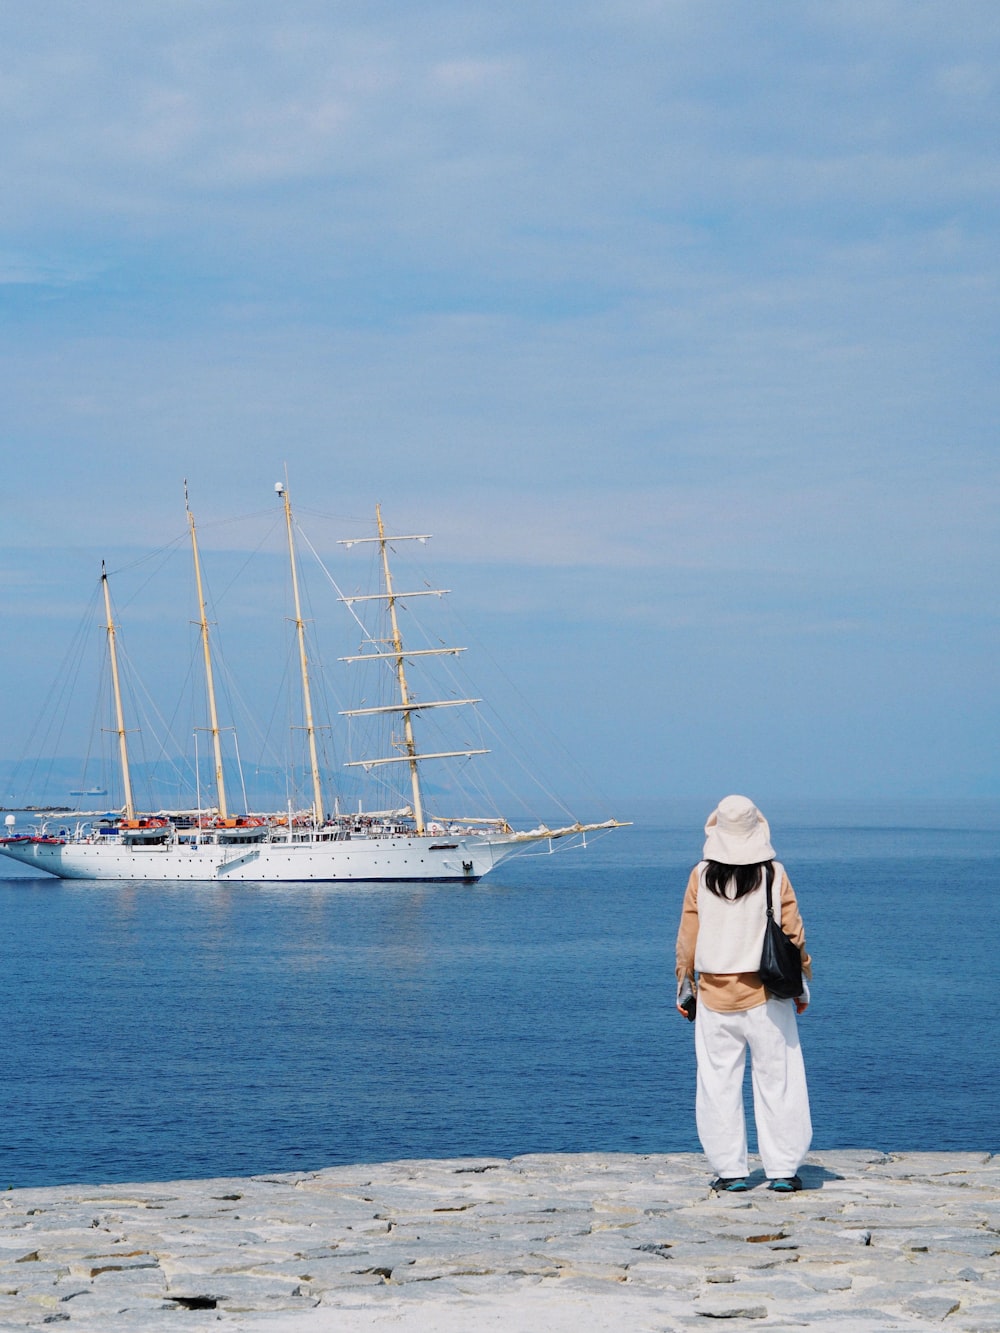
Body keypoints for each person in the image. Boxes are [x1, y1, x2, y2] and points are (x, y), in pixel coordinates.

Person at [675, 794, 812, 1193]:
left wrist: (685, 987)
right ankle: (783, 1169)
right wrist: (803, 983)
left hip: (715, 994)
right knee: (779, 1080)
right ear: (757, 828)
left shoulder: (700, 875)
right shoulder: (774, 873)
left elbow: (688, 938)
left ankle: (731, 1170)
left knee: (718, 1083)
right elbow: (793, 932)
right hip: (767, 993)